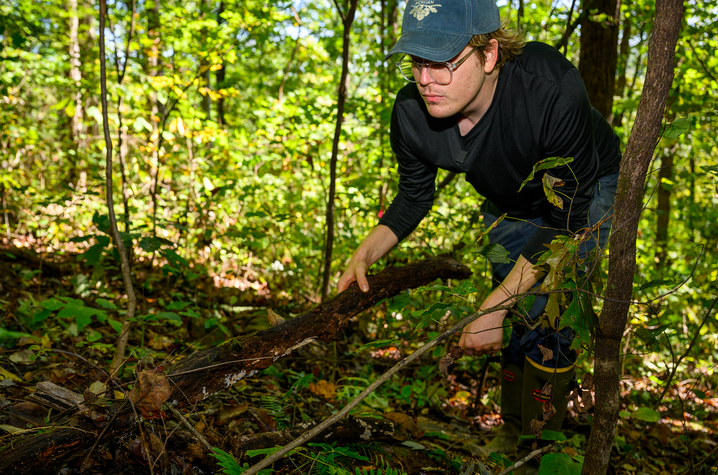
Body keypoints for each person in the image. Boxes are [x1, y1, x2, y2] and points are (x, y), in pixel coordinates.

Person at [337, 0, 621, 468]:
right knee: (510, 317)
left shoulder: (549, 89)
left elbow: (567, 223)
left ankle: (542, 448)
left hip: (585, 195)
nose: (425, 79)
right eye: (416, 62)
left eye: (442, 62)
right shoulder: (412, 113)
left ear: (488, 54)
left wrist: (493, 302)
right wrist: (366, 252)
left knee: (549, 313)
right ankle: (513, 436)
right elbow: (413, 197)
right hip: (507, 202)